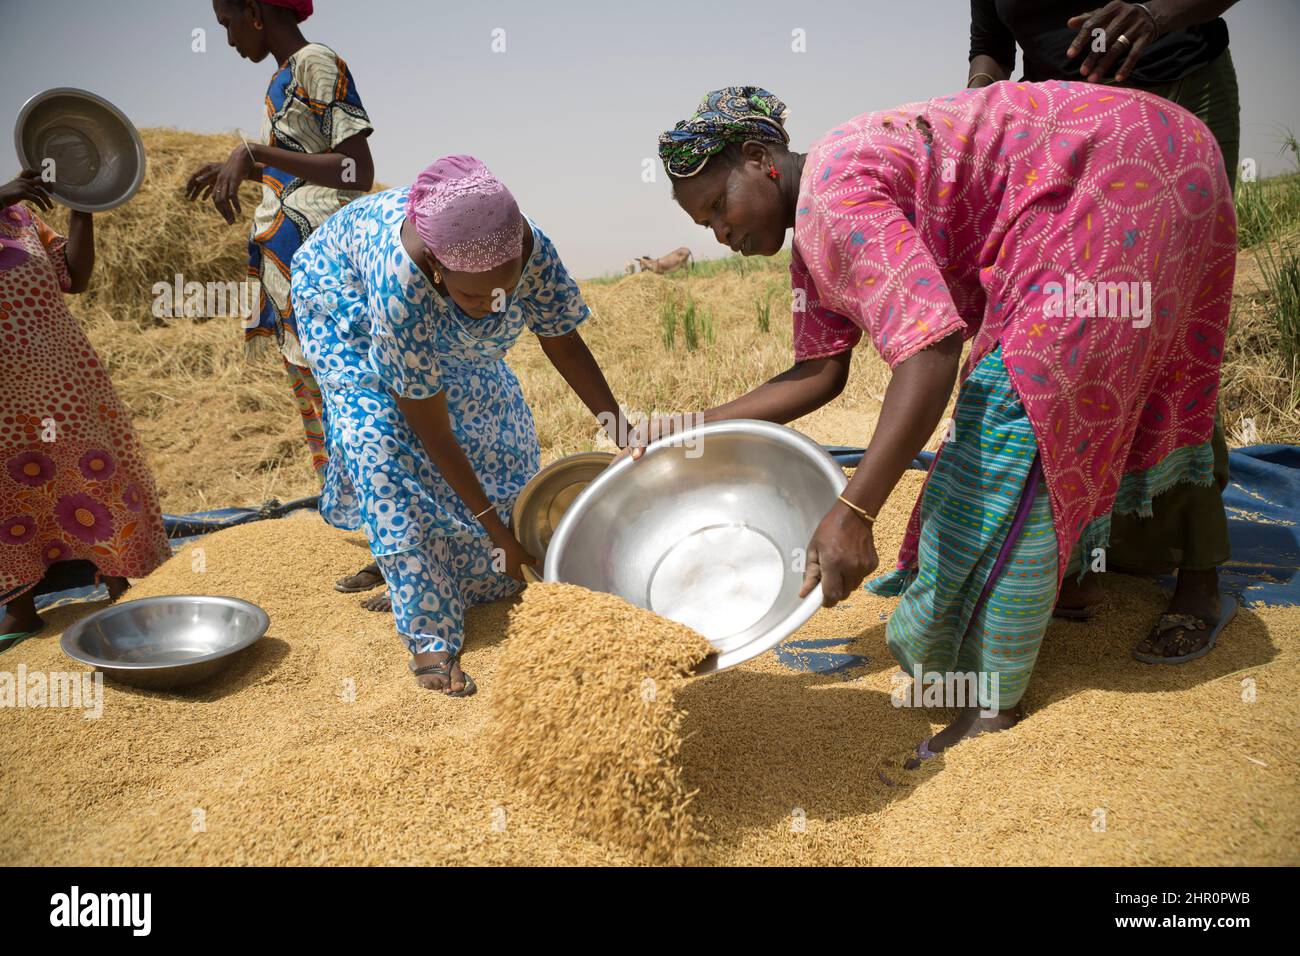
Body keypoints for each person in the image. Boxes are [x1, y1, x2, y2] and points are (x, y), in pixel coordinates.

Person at [651, 85, 1235, 761]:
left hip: (1118, 170)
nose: (722, 234)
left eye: (719, 207)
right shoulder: (817, 221)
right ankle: (1074, 573)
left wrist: (853, 510)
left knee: (1013, 414)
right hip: (1168, 148)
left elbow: (929, 351)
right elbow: (819, 373)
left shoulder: (833, 198)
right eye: (706, 227)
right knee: (1102, 382)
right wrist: (688, 427)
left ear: (761, 159)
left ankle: (991, 697)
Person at [291, 156, 634, 694]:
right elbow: (432, 428)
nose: (489, 308)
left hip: (427, 291)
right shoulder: (401, 285)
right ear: (435, 266)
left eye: (503, 292)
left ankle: (454, 571)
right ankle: (429, 630)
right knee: (378, 440)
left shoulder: (529, 247)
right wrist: (495, 530)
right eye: (473, 296)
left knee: (494, 423)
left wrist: (622, 430)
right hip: (342, 291)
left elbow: (562, 341)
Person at [967, 0, 1241, 661]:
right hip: (1065, 122)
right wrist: (978, 107)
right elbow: (991, 46)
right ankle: (1085, 554)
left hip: (1175, 96)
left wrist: (1157, 13)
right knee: (1073, 336)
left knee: (1163, 332)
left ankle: (1198, 577)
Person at [185, 0, 385, 600]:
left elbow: (356, 172)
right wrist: (248, 171)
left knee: (363, 406)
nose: (225, 39)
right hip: (294, 279)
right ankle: (385, 542)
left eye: (226, 24)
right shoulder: (278, 80)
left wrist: (260, 154)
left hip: (332, 275)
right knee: (332, 415)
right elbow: (303, 174)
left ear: (253, 11)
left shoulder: (315, 62)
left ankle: (410, 545)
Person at [0, 171, 171, 649]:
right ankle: (20, 609)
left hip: (59, 375)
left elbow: (74, 277)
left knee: (92, 469)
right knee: (8, 488)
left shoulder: (22, 218)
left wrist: (83, 204)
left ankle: (119, 585)